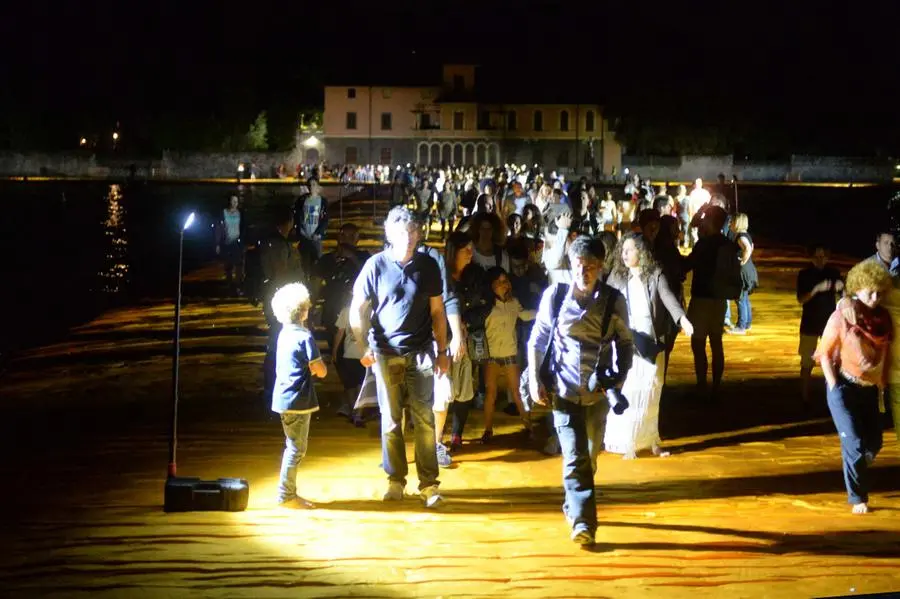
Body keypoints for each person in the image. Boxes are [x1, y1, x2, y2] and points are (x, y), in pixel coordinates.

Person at [528, 236, 634, 546]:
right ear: (570, 265)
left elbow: (626, 343)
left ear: (601, 267)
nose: (583, 272)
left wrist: (618, 379)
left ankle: (572, 504)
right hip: (563, 390)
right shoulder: (555, 296)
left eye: (590, 267)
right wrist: (535, 378)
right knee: (574, 458)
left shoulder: (614, 301)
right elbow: (537, 339)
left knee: (589, 457)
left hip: (597, 395)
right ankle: (583, 523)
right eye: (578, 265)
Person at [349, 206, 450, 508]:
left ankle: (429, 485)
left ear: (419, 235)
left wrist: (442, 351)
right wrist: (362, 345)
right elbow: (357, 308)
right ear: (389, 234)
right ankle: (395, 480)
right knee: (391, 419)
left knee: (425, 420)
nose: (408, 238)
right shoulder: (375, 266)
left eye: (413, 233)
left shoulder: (428, 266)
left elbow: (437, 311)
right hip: (385, 353)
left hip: (420, 353)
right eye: (403, 233)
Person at [604, 234, 693, 458]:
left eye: (630, 250)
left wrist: (682, 319)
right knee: (631, 389)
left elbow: (668, 298)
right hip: (626, 341)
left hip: (652, 341)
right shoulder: (616, 276)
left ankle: (652, 440)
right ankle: (629, 442)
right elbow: (604, 303)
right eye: (623, 250)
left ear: (641, 252)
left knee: (653, 388)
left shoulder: (655, 274)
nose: (625, 254)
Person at [814, 260, 892, 514]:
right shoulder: (842, 316)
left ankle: (855, 465)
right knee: (855, 443)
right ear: (857, 289)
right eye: (869, 291)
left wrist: (882, 385)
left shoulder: (883, 318)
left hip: (870, 389)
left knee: (875, 441)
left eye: (879, 292)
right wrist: (834, 386)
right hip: (844, 386)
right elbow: (823, 353)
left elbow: (886, 351)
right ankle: (857, 497)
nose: (874, 297)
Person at [270, 282, 327, 510]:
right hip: (298, 401)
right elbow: (320, 370)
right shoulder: (304, 336)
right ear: (304, 311)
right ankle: (286, 495)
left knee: (292, 446)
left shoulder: (283, 334)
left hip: (282, 398)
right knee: (296, 449)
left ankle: (287, 493)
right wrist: (320, 368)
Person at [259, 206, 305, 397]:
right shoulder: (279, 245)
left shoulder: (270, 243)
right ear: (289, 222)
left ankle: (273, 385)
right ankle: (274, 386)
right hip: (282, 299)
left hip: (273, 295)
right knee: (279, 341)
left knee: (277, 340)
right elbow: (281, 272)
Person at [796, 244, 844, 404]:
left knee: (832, 361)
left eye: (823, 256)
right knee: (807, 363)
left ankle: (833, 396)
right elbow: (801, 299)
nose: (820, 260)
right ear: (811, 257)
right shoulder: (804, 274)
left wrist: (842, 288)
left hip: (829, 324)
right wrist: (816, 289)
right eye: (817, 256)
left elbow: (845, 296)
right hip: (809, 323)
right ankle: (804, 397)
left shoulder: (833, 272)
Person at [215, 195, 245, 295]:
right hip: (226, 242)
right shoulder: (223, 213)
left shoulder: (240, 213)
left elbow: (243, 227)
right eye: (233, 201)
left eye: (236, 201)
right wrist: (217, 243)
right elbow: (218, 228)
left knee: (239, 265)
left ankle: (238, 286)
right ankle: (229, 284)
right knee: (228, 265)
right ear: (229, 202)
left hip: (237, 242)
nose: (235, 203)